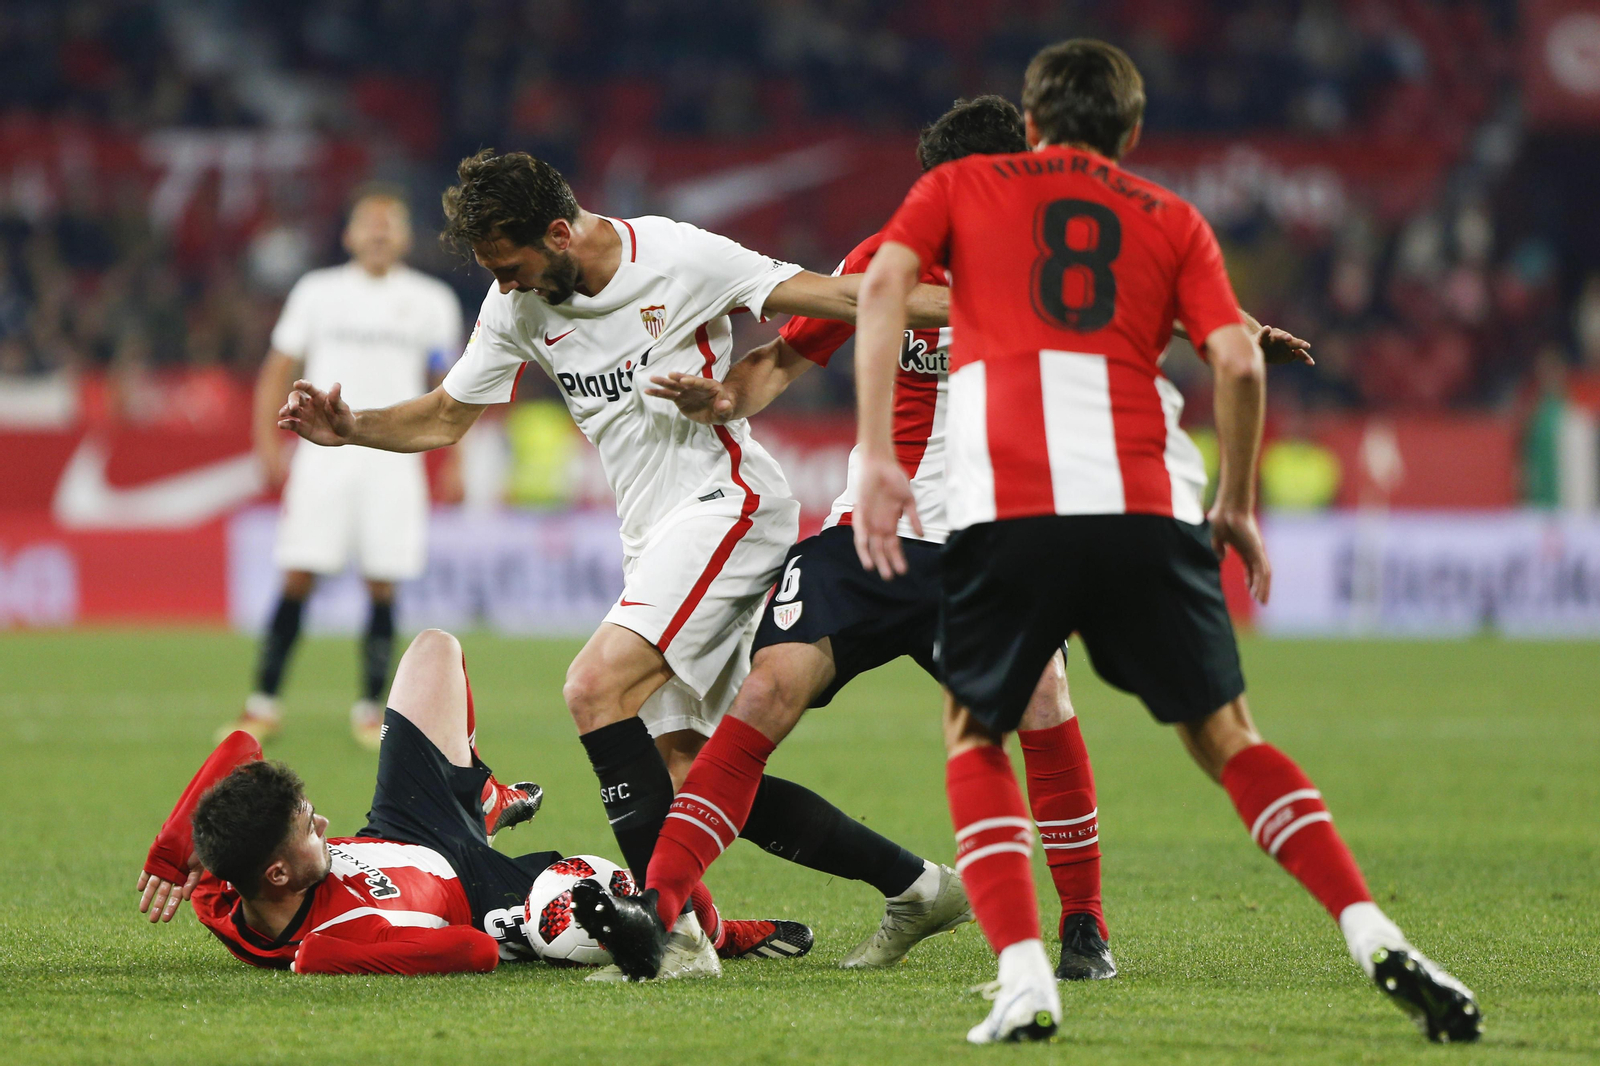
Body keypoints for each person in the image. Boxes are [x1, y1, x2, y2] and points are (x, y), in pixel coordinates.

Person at [576, 97, 1309, 986]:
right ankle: (658, 919)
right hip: (869, 538)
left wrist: (1230, 335)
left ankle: (1084, 927)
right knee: (767, 687)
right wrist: (726, 395)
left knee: (1042, 700)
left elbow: (1157, 315)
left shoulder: (1058, 272)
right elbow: (780, 362)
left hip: (991, 544)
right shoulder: (883, 264)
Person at [844, 41, 1481, 1043]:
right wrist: (1232, 500)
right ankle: (1372, 933)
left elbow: (879, 287)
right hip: (1146, 500)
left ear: (1030, 120)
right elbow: (1235, 361)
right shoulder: (1172, 217)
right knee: (1230, 739)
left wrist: (879, 452)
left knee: (975, 733)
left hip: (1009, 507)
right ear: (1132, 134)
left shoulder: (965, 184)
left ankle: (1022, 976)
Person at [275, 150, 958, 978]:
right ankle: (916, 886)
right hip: (654, 534)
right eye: (496, 271)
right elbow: (446, 416)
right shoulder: (516, 304)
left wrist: (992, 308)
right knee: (693, 778)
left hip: (727, 505)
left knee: (593, 687)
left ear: (560, 232)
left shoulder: (679, 256)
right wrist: (353, 427)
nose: (510, 285)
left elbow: (843, 296)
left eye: (516, 266)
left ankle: (670, 938)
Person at [139, 629, 804, 974]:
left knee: (433, 650)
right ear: (278, 875)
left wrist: (173, 853)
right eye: (308, 827)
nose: (322, 820)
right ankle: (723, 934)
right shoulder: (329, 945)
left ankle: (481, 795)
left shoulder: (219, 889)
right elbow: (476, 954)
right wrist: (508, 934)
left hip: (403, 824)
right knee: (621, 897)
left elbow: (238, 748)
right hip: (480, 893)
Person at [223, 189, 465, 752]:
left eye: (390, 225)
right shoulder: (318, 292)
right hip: (322, 457)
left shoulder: (431, 302)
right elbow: (277, 367)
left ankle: (368, 711)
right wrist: (265, 441)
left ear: (405, 238)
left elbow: (451, 387)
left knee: (384, 581)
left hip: (392, 458)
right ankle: (262, 703)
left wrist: (459, 458)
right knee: (299, 573)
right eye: (369, 224)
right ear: (349, 235)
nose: (379, 233)